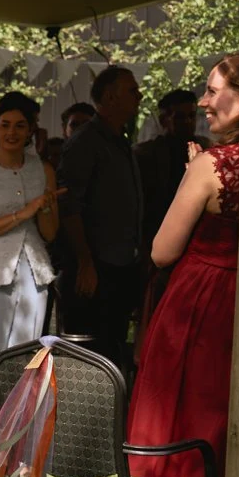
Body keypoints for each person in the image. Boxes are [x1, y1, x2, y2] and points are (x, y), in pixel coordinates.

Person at [118, 51, 239, 477]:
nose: (202, 100)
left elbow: (163, 251)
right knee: (232, 456)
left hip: (199, 314)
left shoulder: (213, 167)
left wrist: (194, 181)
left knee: (173, 458)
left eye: (214, 90)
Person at [58, 65, 147, 370]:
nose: (140, 95)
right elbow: (69, 206)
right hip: (95, 269)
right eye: (132, 90)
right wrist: (84, 261)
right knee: (92, 355)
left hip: (122, 264)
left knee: (115, 345)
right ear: (110, 97)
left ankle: (112, 415)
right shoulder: (85, 142)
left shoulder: (119, 140)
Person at [0, 92, 61, 377]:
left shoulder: (43, 169)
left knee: (26, 361)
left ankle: (19, 421)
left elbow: (49, 232)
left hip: (33, 273)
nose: (12, 132)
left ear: (30, 131)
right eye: (5, 124)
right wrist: (22, 214)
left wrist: (45, 209)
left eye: (20, 125)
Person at [136, 88, 203, 251]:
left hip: (198, 234)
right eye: (179, 117)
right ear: (164, 120)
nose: (187, 122)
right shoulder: (146, 154)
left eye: (191, 116)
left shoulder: (206, 149)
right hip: (159, 230)